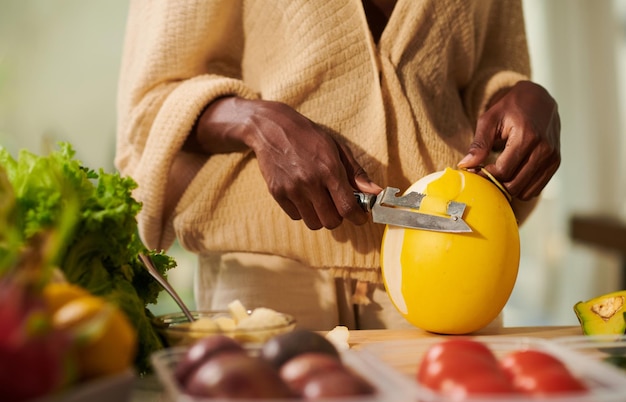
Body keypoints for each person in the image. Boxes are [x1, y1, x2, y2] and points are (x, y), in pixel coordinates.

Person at [115, 0, 560, 330]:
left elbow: (492, 67)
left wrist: (521, 93)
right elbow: (150, 104)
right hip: (268, 276)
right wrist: (255, 121)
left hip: (457, 266)